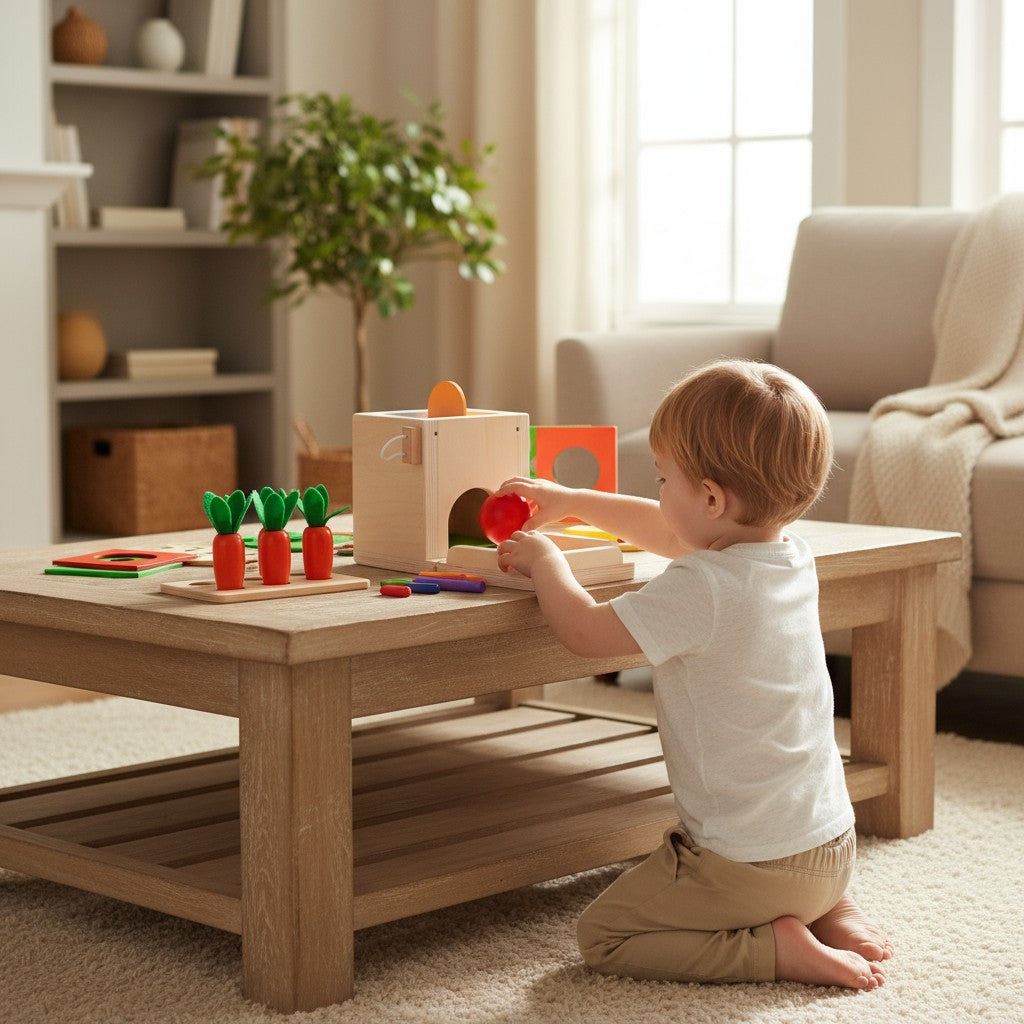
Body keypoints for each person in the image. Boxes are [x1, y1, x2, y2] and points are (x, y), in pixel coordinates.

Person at [494, 359, 893, 990]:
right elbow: (670, 530)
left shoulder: (701, 586)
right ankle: (829, 911)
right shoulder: (789, 556)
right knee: (793, 842)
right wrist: (569, 503)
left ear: (710, 499)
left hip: (750, 865)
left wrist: (546, 562)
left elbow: (586, 635)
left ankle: (777, 949)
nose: (658, 492)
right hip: (833, 846)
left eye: (662, 479)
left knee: (604, 935)